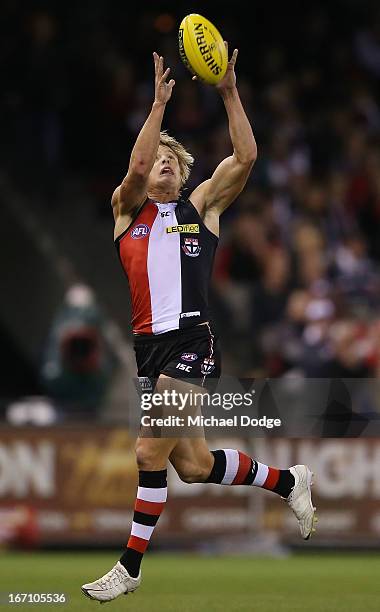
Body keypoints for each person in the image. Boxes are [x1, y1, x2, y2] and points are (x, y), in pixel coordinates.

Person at [81, 46, 317, 603]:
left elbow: (247, 156)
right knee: (191, 464)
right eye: (155, 154)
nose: (160, 160)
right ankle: (290, 482)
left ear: (185, 172)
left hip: (192, 343)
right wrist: (158, 107)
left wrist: (229, 91)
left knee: (147, 454)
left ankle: (129, 567)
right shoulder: (126, 212)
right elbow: (135, 169)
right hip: (148, 350)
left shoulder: (201, 208)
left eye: (171, 157)